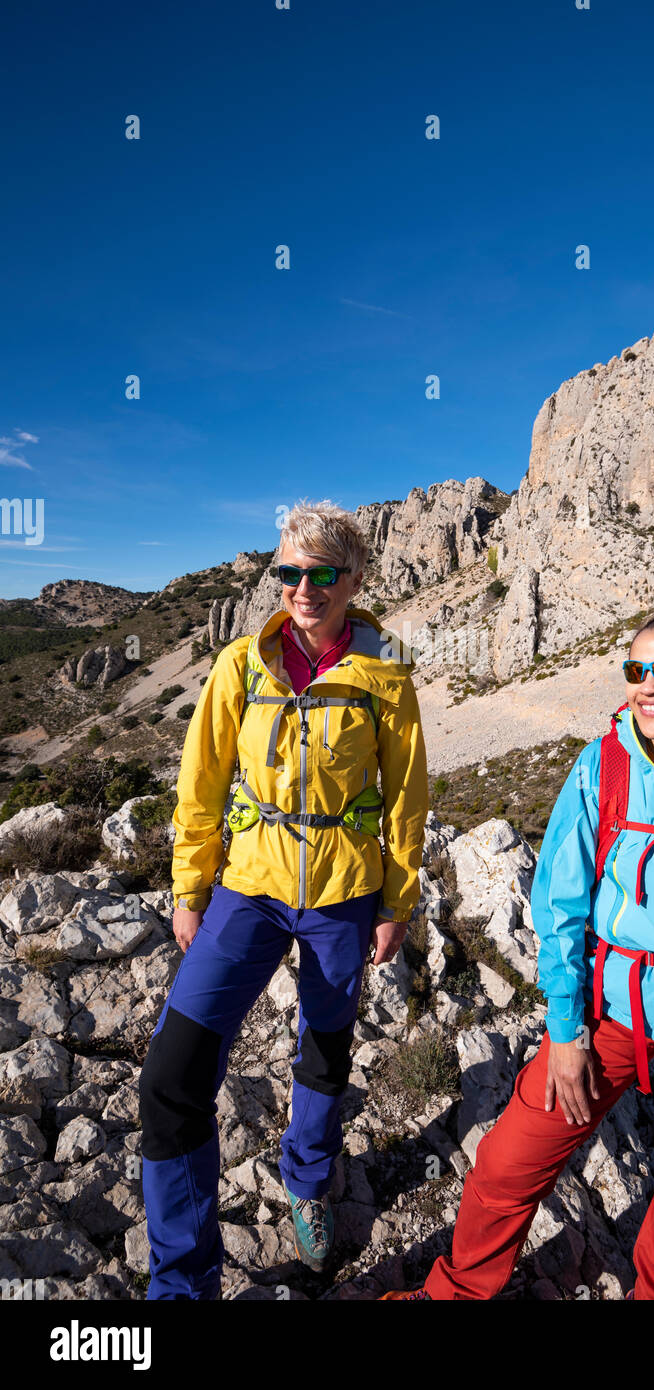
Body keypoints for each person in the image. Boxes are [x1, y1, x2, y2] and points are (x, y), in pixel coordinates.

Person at [382, 611, 654, 1300]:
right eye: (634, 671)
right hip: (612, 1012)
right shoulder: (603, 766)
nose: (647, 685)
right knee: (507, 1163)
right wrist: (564, 1029)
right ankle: (457, 1293)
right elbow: (559, 907)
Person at [139, 500, 428, 1299]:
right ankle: (181, 1282)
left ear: (354, 578)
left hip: (343, 892)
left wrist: (395, 899)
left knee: (324, 1051)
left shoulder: (387, 669)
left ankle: (306, 1183)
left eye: (323, 573)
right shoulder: (240, 664)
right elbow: (200, 785)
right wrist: (190, 887)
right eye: (289, 572)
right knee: (171, 1076)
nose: (304, 588)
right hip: (250, 888)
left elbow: (406, 797)